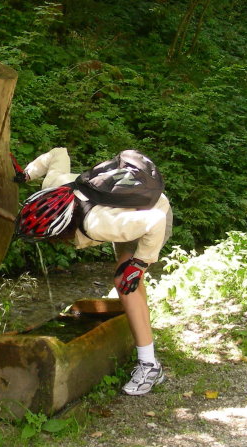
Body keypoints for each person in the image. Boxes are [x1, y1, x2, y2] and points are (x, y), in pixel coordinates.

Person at [20, 147, 173, 395]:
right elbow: (58, 154)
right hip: (126, 214)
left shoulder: (96, 225)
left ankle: (149, 367)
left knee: (125, 282)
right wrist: (28, 174)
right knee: (130, 281)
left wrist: (139, 264)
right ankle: (145, 345)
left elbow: (154, 222)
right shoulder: (55, 185)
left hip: (153, 215)